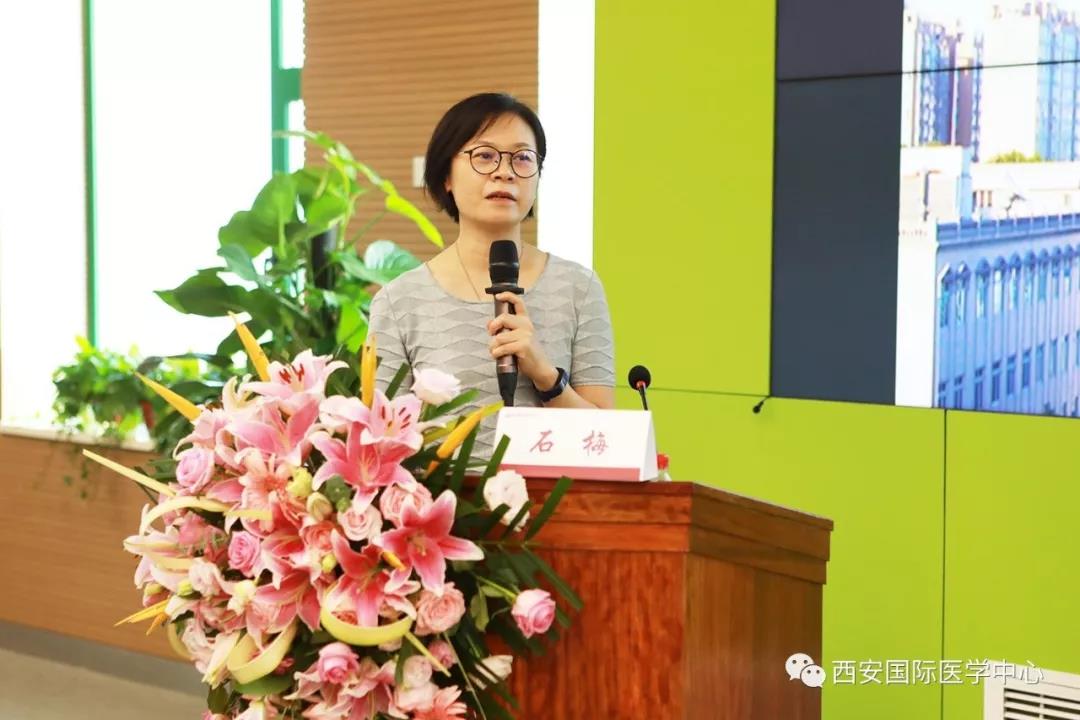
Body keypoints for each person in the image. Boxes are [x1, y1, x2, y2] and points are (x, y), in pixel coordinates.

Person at [368, 92, 615, 459]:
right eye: (484, 156)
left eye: (522, 158)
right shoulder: (399, 301)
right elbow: (383, 443)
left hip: (557, 495)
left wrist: (545, 375)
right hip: (446, 496)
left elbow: (607, 440)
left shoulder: (579, 288)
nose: (504, 171)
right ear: (446, 176)